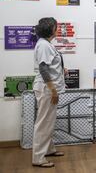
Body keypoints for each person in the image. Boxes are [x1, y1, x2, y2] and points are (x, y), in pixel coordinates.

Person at [32, 17, 65, 167]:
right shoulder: (44, 45)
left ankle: (49, 149)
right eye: (56, 27)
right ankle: (38, 158)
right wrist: (53, 91)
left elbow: (50, 66)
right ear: (51, 29)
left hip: (48, 88)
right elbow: (43, 69)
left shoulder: (46, 44)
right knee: (44, 123)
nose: (57, 29)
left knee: (48, 121)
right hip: (47, 89)